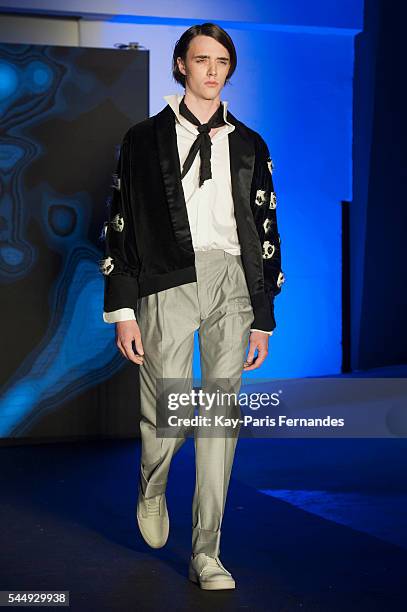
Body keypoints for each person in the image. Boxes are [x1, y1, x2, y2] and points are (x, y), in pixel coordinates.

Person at [99, 22, 285, 591]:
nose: (211, 69)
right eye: (201, 59)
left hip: (231, 280)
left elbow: (266, 225)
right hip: (167, 281)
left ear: (229, 70)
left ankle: (207, 552)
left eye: (221, 61)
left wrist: (263, 315)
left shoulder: (250, 143)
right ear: (181, 64)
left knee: (219, 419)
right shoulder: (142, 139)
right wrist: (123, 308)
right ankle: (152, 484)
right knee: (170, 410)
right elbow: (120, 223)